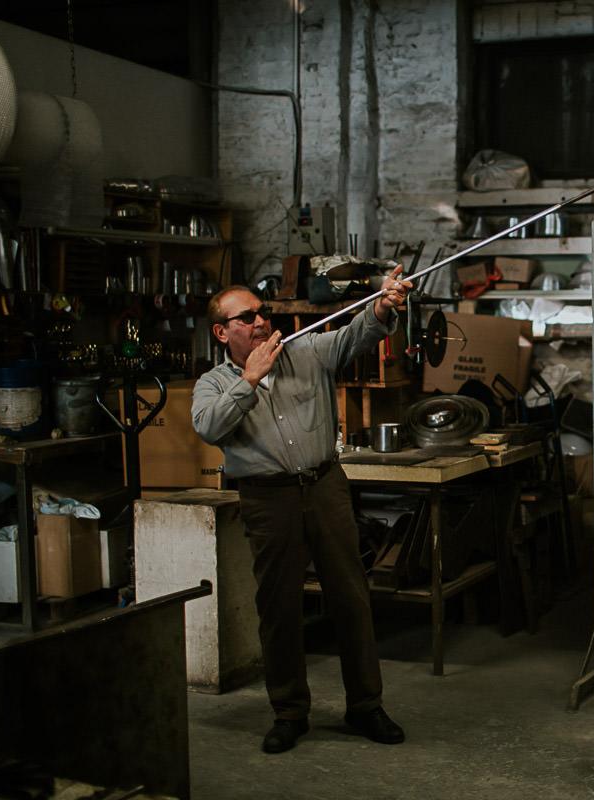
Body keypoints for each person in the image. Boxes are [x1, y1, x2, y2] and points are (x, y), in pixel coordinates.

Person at [192, 269, 412, 754]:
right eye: (246, 317)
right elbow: (208, 428)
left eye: (262, 312)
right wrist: (249, 380)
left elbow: (359, 332)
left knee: (351, 597)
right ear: (222, 332)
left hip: (325, 486)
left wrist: (383, 303)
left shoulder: (307, 351)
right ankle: (289, 712)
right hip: (267, 499)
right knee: (279, 607)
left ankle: (365, 706)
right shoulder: (211, 385)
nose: (260, 320)